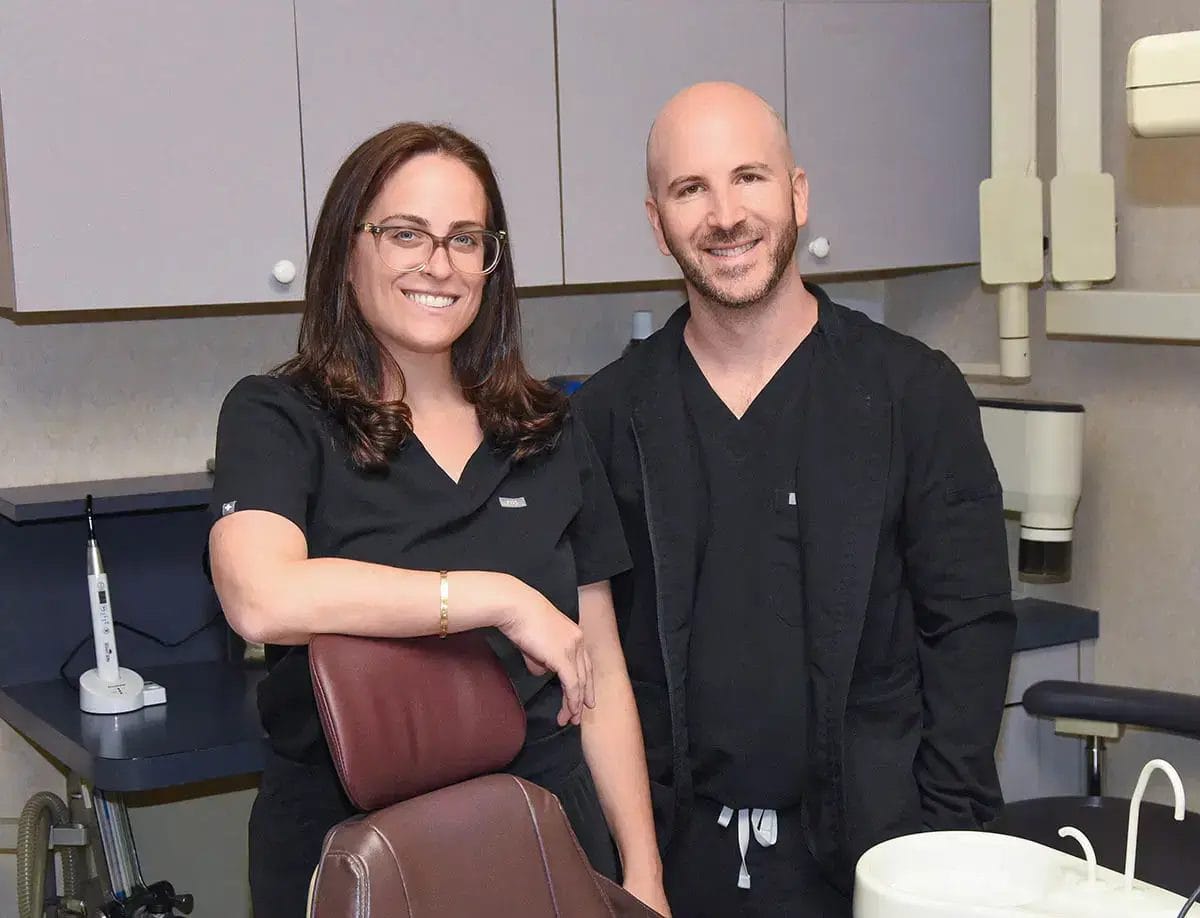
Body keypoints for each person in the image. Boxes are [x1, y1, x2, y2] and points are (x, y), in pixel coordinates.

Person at [572, 82, 1015, 916]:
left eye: (750, 177)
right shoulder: (606, 419)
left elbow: (969, 629)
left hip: (878, 864)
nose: (725, 215)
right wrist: (635, 868)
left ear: (798, 194)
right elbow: (597, 664)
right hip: (669, 872)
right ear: (657, 224)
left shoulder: (912, 395)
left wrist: (939, 854)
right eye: (691, 189)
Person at [206, 122, 669, 918]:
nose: (439, 264)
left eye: (465, 239)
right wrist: (499, 598)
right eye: (405, 234)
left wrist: (644, 871)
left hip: (547, 836)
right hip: (355, 848)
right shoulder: (280, 418)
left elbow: (598, 670)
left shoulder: (547, 429)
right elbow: (260, 596)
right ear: (346, 251)